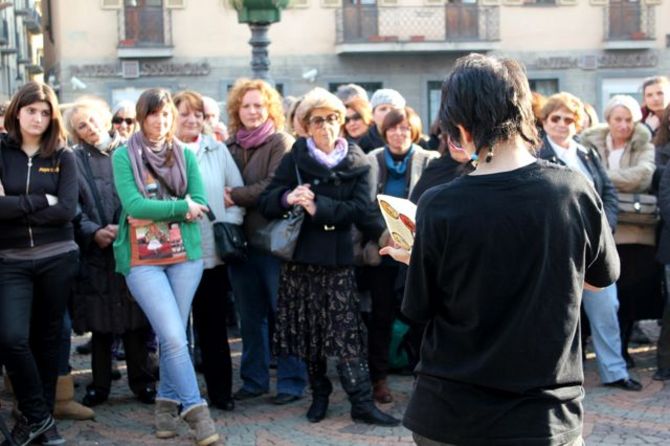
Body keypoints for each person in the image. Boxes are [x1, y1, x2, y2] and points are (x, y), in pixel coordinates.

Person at [389, 54, 620, 445]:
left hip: (452, 415)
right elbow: (598, 281)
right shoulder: (573, 190)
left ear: (460, 127)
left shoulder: (440, 204)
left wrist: (420, 257)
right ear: (526, 112)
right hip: (545, 416)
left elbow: (420, 308)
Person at [258, 87, 399, 427]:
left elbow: (361, 210)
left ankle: (361, 402)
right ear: (306, 125)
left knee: (346, 333)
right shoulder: (295, 158)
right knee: (310, 334)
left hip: (337, 261)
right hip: (301, 259)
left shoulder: (359, 162)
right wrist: (289, 197)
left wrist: (318, 206)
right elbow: (266, 201)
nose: (327, 126)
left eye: (334, 118)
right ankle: (319, 396)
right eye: (318, 120)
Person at [111, 88, 222, 446]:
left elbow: (202, 201)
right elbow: (135, 205)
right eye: (153, 114)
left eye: (166, 114)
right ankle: (196, 412)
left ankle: (164, 406)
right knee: (174, 336)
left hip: (184, 256)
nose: (161, 121)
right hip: (142, 260)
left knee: (176, 336)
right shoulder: (123, 156)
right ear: (141, 117)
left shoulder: (185, 154)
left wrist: (186, 204)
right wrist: (179, 207)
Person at [538, 92, 641, 391]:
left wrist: (605, 225)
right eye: (555, 118)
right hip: (557, 248)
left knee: (607, 306)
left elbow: (607, 192)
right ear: (544, 121)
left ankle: (615, 371)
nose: (561, 124)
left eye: (568, 119)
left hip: (593, 246)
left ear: (578, 122)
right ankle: (556, 377)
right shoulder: (537, 155)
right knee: (560, 315)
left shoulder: (587, 153)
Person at [64, 98, 158, 408]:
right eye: (81, 125)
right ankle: (100, 384)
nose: (89, 128)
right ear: (75, 132)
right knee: (101, 324)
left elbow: (145, 191)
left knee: (136, 319)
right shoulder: (72, 159)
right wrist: (93, 231)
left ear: (105, 118)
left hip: (132, 243)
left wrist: (125, 226)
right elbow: (72, 204)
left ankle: (142, 382)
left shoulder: (133, 150)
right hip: (95, 250)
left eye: (92, 120)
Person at [0, 81, 78, 445]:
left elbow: (66, 210)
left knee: (47, 341)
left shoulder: (64, 156)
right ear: (18, 111)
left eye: (45, 112)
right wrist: (38, 201)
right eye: (32, 110)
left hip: (57, 258)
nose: (38, 118)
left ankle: (38, 423)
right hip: (11, 260)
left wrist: (15, 205)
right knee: (13, 338)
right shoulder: (1, 153)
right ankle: (40, 417)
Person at [223, 78, 307, 404]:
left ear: (270, 107)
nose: (253, 111)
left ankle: (291, 382)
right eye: (246, 105)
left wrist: (233, 196)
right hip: (239, 244)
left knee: (282, 313)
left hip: (275, 243)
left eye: (259, 105)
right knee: (250, 316)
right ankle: (254, 380)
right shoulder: (230, 145)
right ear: (236, 109)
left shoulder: (280, 142)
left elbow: (272, 186)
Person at [174, 90, 244, 411]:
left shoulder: (216, 149)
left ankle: (220, 393)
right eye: (185, 113)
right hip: (173, 253)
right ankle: (179, 396)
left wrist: (226, 224)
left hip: (211, 253)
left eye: (198, 115)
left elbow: (235, 191)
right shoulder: (162, 151)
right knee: (176, 331)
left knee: (212, 326)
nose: (192, 120)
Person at [363, 106, 439, 403]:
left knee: (422, 314)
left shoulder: (429, 160)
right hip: (382, 250)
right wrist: (388, 235)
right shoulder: (372, 160)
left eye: (405, 128)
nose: (399, 133)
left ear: (415, 131)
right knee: (380, 316)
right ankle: (379, 379)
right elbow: (365, 206)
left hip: (419, 251)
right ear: (385, 131)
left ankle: (425, 378)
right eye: (393, 128)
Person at [581, 95, 658, 368]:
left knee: (630, 295)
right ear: (608, 119)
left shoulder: (644, 143)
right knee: (603, 292)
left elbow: (644, 175)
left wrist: (598, 177)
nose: (623, 125)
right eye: (618, 119)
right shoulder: (590, 142)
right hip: (601, 230)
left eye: (628, 120)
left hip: (636, 233)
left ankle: (623, 349)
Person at [357, 88, 406, 153]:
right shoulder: (363, 143)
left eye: (393, 109)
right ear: (372, 114)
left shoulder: (415, 139)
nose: (388, 113)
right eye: (383, 109)